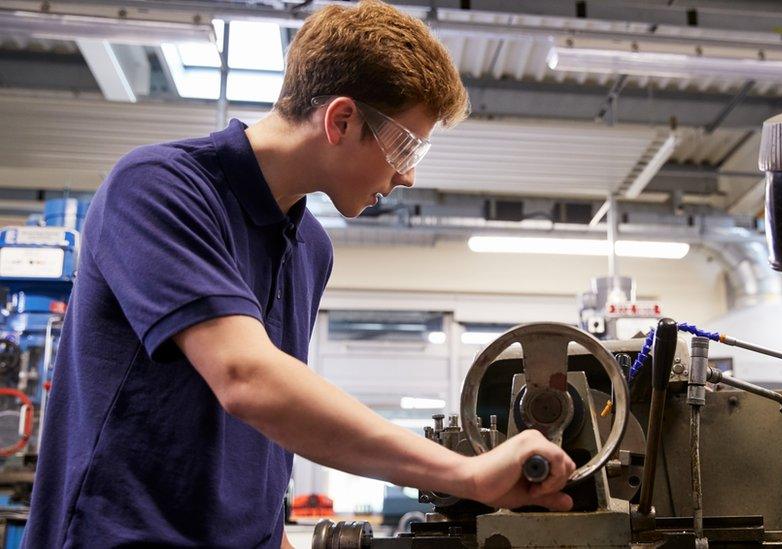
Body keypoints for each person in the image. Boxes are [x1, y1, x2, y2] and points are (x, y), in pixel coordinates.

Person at [23, 1, 575, 547]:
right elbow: (247, 379)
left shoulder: (310, 247)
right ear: (341, 120)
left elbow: (263, 429)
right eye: (405, 145)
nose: (407, 175)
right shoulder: (158, 188)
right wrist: (466, 473)